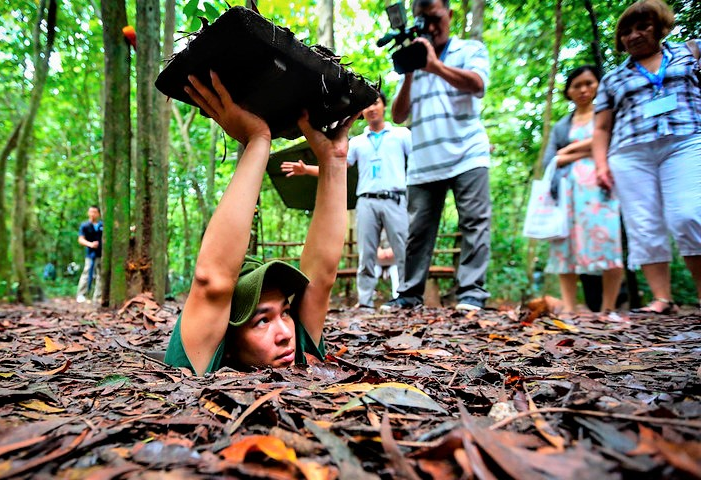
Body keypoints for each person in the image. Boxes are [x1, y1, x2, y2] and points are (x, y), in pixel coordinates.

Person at [163, 71, 355, 375]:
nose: (285, 334)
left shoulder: (298, 353)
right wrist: (258, 140)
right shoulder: (202, 361)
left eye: (286, 313)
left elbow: (322, 276)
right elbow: (212, 279)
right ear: (225, 340)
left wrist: (333, 161)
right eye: (262, 320)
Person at [593, 0, 701, 314]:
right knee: (643, 223)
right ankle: (661, 298)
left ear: (660, 26)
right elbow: (601, 128)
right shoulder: (613, 78)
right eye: (626, 31)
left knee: (689, 213)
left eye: (643, 27)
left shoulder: (690, 52)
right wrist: (601, 165)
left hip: (686, 140)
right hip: (630, 152)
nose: (634, 35)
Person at [383, 0, 492, 312]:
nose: (430, 27)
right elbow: (399, 115)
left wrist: (435, 66)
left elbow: (478, 84)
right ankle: (408, 294)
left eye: (435, 18)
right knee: (417, 231)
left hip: (468, 153)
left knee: (474, 223)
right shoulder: (416, 61)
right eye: (422, 20)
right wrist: (409, 72)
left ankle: (471, 294)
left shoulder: (470, 49)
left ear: (450, 14)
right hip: (424, 160)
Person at [281, 93, 411, 309]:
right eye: (367, 105)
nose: (371, 108)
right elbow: (337, 166)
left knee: (403, 250)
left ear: (384, 106)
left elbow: (418, 160)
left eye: (376, 103)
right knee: (367, 253)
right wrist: (305, 169)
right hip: (366, 201)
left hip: (395, 198)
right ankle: (366, 302)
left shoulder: (401, 135)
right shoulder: (357, 142)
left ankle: (408, 297)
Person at [542, 65, 624, 313]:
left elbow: (612, 144)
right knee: (565, 246)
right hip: (567, 191)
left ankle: (608, 308)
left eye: (589, 83)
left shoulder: (607, 116)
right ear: (568, 91)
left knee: (609, 242)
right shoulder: (561, 126)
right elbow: (551, 159)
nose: (583, 90)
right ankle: (569, 308)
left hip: (602, 186)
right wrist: (582, 149)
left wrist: (569, 150)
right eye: (576, 85)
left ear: (598, 85)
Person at [76, 205, 103, 303]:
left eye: (95, 212)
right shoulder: (85, 225)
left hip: (102, 254)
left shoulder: (102, 225)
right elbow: (80, 239)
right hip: (91, 254)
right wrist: (90, 244)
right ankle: (81, 294)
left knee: (101, 275)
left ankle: (97, 296)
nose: (92, 214)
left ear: (99, 214)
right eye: (91, 212)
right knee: (87, 273)